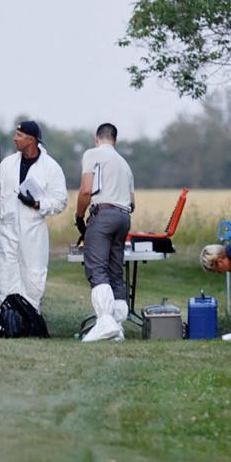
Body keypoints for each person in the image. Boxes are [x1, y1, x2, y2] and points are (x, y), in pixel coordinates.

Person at [0, 120, 68, 312]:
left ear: (31, 140)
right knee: (5, 273)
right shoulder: (7, 164)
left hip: (33, 231)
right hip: (8, 229)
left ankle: (30, 316)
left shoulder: (50, 168)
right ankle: (6, 315)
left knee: (33, 275)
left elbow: (61, 201)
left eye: (19, 136)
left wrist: (37, 204)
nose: (14, 138)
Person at [75, 122, 135, 342]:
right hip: (123, 217)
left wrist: (79, 216)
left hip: (103, 215)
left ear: (96, 138)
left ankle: (105, 323)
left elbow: (86, 190)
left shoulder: (92, 154)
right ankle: (117, 327)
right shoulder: (125, 164)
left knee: (97, 270)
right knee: (115, 272)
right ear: (115, 140)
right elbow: (132, 202)